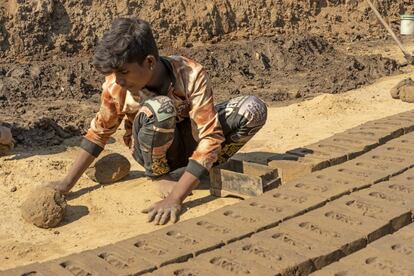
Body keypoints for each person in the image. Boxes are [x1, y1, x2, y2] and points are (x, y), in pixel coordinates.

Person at [48, 17, 267, 225]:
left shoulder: (190, 74)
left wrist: (175, 199)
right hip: (151, 149)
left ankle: (200, 170)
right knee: (161, 109)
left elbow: (210, 136)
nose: (119, 80)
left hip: (189, 138)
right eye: (115, 73)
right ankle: (160, 176)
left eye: (124, 72)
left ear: (150, 62)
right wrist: (67, 184)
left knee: (253, 109)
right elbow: (98, 134)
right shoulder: (115, 87)